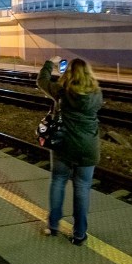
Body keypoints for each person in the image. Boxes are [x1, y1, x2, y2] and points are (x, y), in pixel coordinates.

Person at [37, 56, 102, 245]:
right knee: (82, 189)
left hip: (63, 144)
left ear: (69, 74)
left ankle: (53, 226)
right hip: (88, 147)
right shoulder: (97, 94)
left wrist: (50, 63)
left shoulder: (62, 91)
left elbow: (42, 81)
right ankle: (79, 234)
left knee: (58, 181)